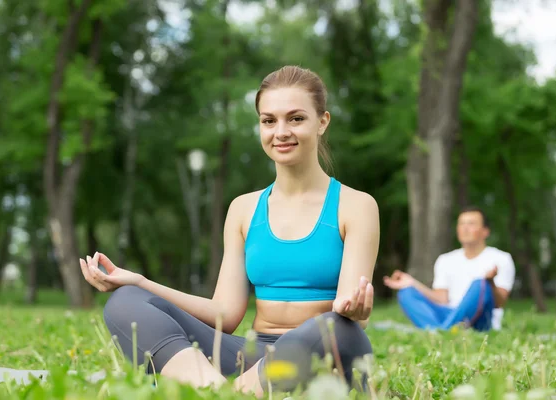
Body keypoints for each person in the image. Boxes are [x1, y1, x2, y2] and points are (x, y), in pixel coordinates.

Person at [79, 65, 380, 396]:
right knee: (126, 302)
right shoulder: (243, 209)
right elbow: (225, 314)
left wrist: (354, 310)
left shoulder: (356, 205)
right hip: (251, 360)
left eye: (295, 119)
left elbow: (353, 315)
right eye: (269, 120)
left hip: (325, 355)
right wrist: (139, 281)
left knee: (334, 327)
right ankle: (219, 390)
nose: (281, 131)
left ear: (322, 122)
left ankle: (222, 394)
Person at [383, 206, 515, 332]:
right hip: (448, 313)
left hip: (480, 320)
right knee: (406, 292)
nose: (465, 228)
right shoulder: (445, 260)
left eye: (471, 224)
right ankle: (446, 330)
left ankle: (440, 331)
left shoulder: (501, 258)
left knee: (480, 284)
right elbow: (441, 299)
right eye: (461, 224)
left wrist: (489, 282)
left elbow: (499, 303)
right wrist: (412, 283)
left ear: (485, 231)